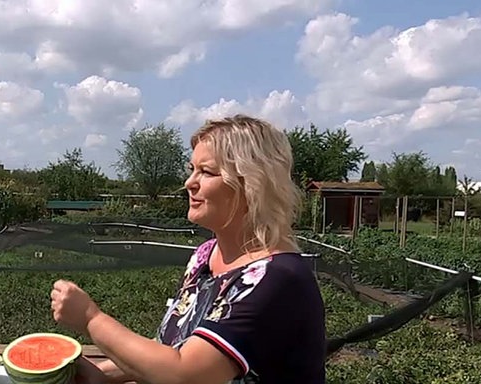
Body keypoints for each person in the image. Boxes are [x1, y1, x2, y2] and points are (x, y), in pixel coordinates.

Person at [50, 114, 327, 383]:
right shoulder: (205, 257)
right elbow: (175, 347)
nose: (189, 183)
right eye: (191, 169)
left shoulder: (276, 277)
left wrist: (91, 319)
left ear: (251, 184)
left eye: (206, 171)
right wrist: (104, 374)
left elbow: (185, 374)